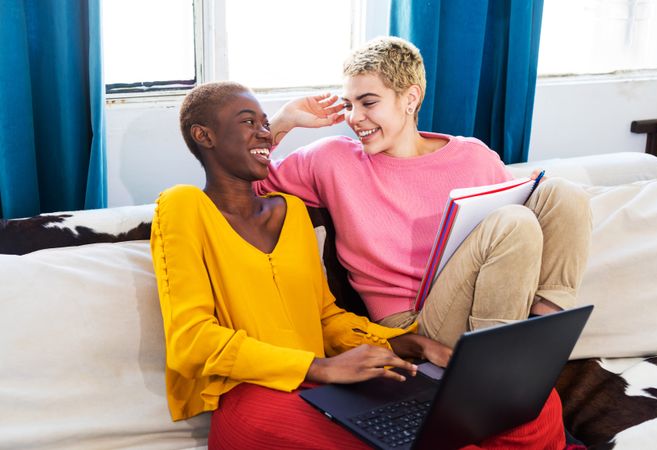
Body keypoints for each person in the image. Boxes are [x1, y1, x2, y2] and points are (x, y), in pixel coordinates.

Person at [152, 80, 569, 449]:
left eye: (266, 122)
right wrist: (318, 367)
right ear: (203, 135)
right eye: (249, 122)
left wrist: (405, 342)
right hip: (255, 395)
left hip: (326, 382)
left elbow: (326, 318)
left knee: (536, 405)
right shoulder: (183, 205)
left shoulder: (292, 212)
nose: (263, 132)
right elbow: (192, 342)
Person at [259, 36, 592, 349]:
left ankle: (543, 328)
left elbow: (523, 223)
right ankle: (493, 361)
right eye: (349, 104)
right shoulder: (331, 158)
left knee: (564, 193)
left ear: (411, 98)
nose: (354, 118)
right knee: (514, 221)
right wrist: (282, 121)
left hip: (478, 297)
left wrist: (533, 190)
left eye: (368, 103)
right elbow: (246, 184)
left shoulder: (472, 155)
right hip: (412, 323)